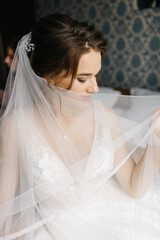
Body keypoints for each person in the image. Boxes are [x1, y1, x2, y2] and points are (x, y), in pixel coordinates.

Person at [0, 13, 160, 240]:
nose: (95, 88)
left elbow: (134, 187)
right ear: (50, 77)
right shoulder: (15, 126)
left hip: (116, 218)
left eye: (96, 76)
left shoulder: (106, 117)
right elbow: (4, 206)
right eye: (83, 79)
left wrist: (156, 142)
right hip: (54, 229)